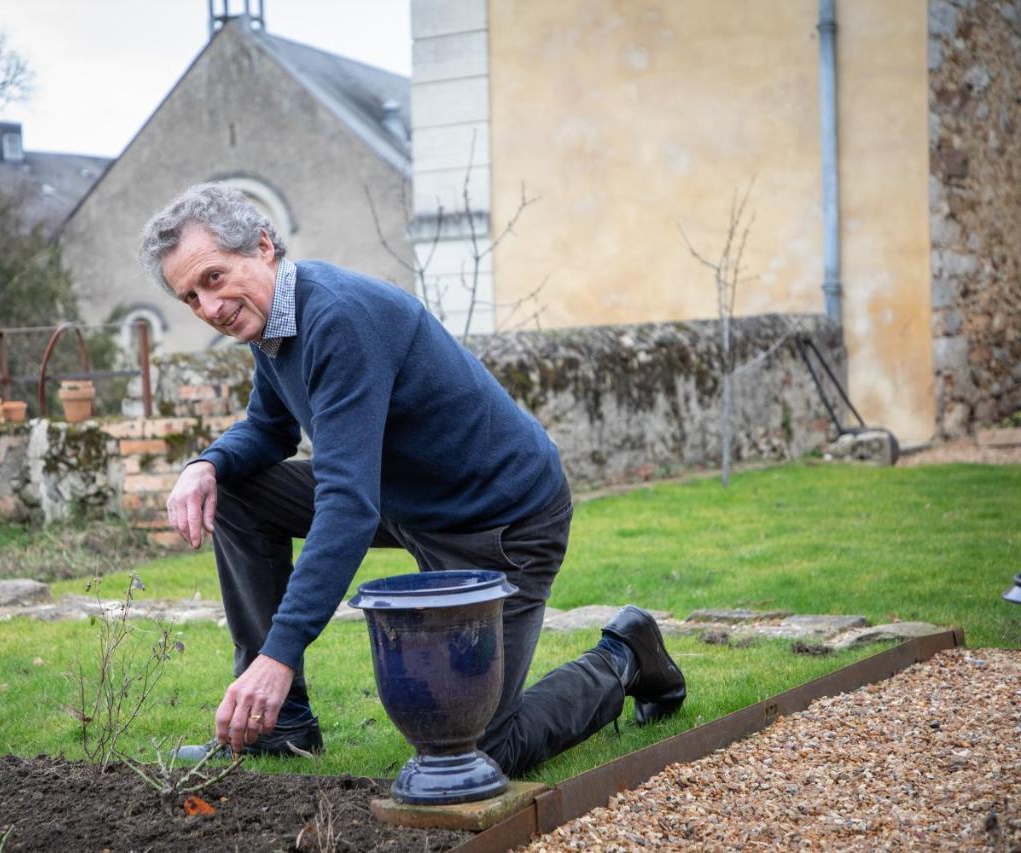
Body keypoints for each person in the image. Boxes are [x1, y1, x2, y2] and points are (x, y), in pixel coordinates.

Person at [139, 183, 685, 775]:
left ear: (263, 246)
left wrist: (281, 653)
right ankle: (279, 725)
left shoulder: (339, 318)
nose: (209, 308)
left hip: (501, 524)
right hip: (415, 506)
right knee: (239, 491)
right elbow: (270, 429)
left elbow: (348, 505)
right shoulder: (273, 323)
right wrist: (207, 464)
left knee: (477, 751)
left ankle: (625, 654)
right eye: (190, 297)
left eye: (213, 279)